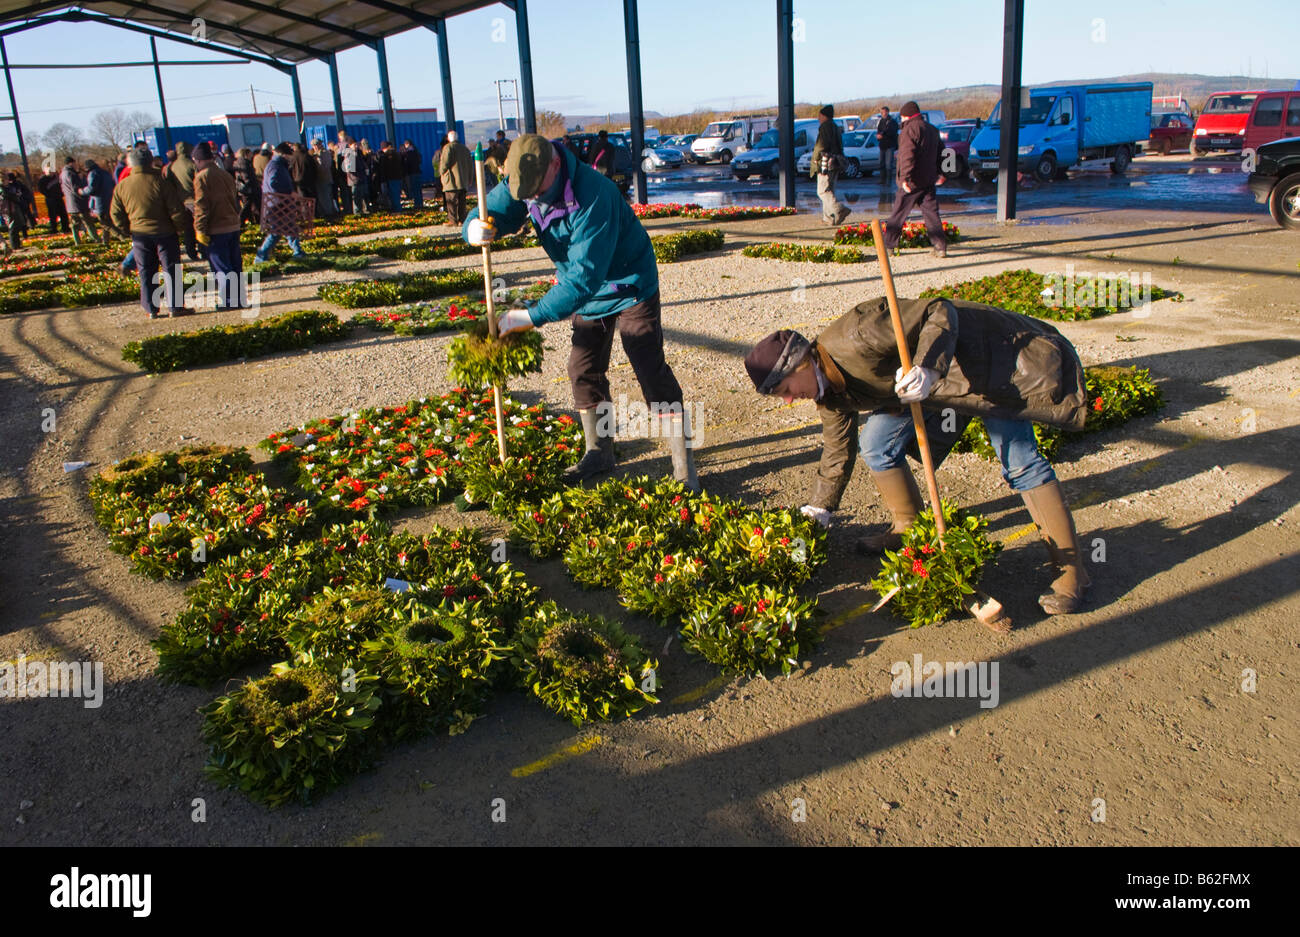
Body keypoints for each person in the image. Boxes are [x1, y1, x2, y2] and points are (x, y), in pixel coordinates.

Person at [743, 294, 1093, 616]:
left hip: (994, 361)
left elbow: (940, 311)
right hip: (938, 390)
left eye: (785, 390)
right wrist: (821, 506)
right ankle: (910, 530)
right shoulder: (827, 391)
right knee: (877, 444)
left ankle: (1070, 571)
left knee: (1020, 462)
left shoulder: (858, 335)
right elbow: (837, 448)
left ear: (802, 364)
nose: (788, 401)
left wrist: (927, 367)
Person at [463, 133, 699, 491]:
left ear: (556, 164)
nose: (533, 199)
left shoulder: (594, 195)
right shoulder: (526, 181)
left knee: (649, 369)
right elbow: (492, 209)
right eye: (525, 193)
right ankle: (599, 451)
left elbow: (582, 280)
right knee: (582, 368)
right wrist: (474, 228)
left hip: (629, 285)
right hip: (589, 293)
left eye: (538, 191)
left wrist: (527, 317)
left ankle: (684, 468)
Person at [109, 147, 189, 319]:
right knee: (170, 269)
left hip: (139, 234)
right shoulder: (161, 182)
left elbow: (115, 214)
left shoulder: (122, 185)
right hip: (165, 233)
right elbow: (176, 209)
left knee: (145, 270)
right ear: (150, 162)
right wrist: (178, 227)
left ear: (130, 164)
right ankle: (175, 307)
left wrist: (126, 229)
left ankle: (151, 309)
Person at [883, 101, 948, 258]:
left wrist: (904, 178)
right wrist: (944, 173)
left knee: (898, 213)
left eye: (902, 117)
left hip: (912, 182)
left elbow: (907, 155)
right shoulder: (932, 129)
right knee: (932, 214)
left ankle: (889, 246)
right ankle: (940, 247)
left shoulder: (909, 130)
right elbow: (945, 152)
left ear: (906, 116)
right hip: (929, 180)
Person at [191, 141, 246, 310]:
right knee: (235, 265)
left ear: (198, 160)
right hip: (232, 224)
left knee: (221, 267)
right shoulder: (225, 174)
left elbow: (201, 206)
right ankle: (240, 298)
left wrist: (199, 229)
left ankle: (229, 301)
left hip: (216, 228)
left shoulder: (202, 178)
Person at [254, 142, 307, 262]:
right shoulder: (275, 166)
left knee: (290, 227)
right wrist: (289, 192)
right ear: (284, 155)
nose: (291, 158)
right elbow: (274, 183)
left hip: (280, 203)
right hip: (277, 205)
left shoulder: (277, 165)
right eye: (289, 155)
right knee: (276, 232)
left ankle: (297, 251)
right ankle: (260, 257)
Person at [811, 104, 850, 226]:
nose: (818, 118)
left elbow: (820, 145)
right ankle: (828, 218)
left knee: (822, 191)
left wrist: (815, 159)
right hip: (835, 161)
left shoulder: (825, 127)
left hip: (825, 162)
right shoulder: (835, 127)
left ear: (824, 116)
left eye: (819, 115)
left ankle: (839, 209)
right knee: (830, 190)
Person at [161, 140, 199, 259]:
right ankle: (203, 249)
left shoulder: (171, 166)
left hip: (180, 202)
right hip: (194, 200)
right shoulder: (192, 164)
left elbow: (168, 184)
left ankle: (190, 251)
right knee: (199, 226)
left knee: (188, 229)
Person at [60, 157, 101, 245]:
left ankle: (77, 241)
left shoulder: (62, 174)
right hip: (78, 202)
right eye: (75, 163)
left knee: (75, 224)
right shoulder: (71, 174)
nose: (76, 165)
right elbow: (75, 188)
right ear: (71, 163)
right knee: (88, 222)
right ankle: (96, 239)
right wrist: (82, 184)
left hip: (70, 203)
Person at [79, 158, 119, 244]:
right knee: (107, 222)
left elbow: (91, 189)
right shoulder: (105, 172)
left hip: (99, 202)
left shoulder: (93, 174)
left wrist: (82, 191)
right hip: (109, 200)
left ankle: (122, 236)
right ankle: (106, 242)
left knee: (105, 224)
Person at [438, 130, 472, 224]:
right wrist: (470, 178)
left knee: (451, 201)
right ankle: (462, 219)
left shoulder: (448, 148)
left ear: (449, 139)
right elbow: (470, 165)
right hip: (463, 180)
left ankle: (453, 221)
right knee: (462, 202)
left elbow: (445, 163)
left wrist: (441, 173)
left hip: (451, 180)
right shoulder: (465, 149)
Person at [1, 172, 32, 251]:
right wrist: (16, 196)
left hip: (12, 208)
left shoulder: (7, 188)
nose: (8, 181)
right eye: (7, 179)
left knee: (17, 226)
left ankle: (17, 244)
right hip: (8, 209)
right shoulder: (2, 189)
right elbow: (10, 196)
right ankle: (14, 245)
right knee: (12, 227)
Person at [36, 168, 71, 235]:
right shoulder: (42, 180)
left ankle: (65, 227)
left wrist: (61, 194)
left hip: (59, 198)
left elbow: (62, 186)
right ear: (45, 172)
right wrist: (49, 195)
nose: (51, 173)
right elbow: (41, 189)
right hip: (50, 199)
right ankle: (54, 229)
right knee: (52, 215)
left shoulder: (57, 178)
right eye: (49, 171)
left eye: (52, 171)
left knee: (63, 214)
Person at [232, 146, 259, 226]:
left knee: (250, 206)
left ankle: (252, 222)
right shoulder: (244, 162)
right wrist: (250, 182)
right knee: (247, 207)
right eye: (250, 153)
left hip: (244, 189)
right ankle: (240, 222)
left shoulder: (239, 162)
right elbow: (246, 176)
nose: (251, 155)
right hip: (248, 189)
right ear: (246, 154)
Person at [875, 106, 899, 187]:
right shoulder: (881, 121)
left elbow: (892, 132)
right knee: (881, 163)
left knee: (888, 164)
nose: (882, 114)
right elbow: (879, 130)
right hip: (882, 145)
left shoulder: (892, 122)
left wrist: (883, 135)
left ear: (887, 112)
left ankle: (888, 181)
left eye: (884, 112)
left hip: (889, 145)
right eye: (881, 112)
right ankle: (882, 179)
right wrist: (878, 136)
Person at [377, 140, 403, 211]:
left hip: (391, 178)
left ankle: (396, 209)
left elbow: (383, 169)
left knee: (394, 195)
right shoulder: (396, 154)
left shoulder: (386, 156)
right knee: (396, 194)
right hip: (397, 177)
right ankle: (397, 208)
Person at [400, 139, 424, 210]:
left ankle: (417, 204)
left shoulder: (407, 154)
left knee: (414, 189)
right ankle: (420, 203)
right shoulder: (416, 152)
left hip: (412, 173)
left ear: (407, 145)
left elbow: (407, 164)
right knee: (418, 189)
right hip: (418, 172)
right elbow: (419, 161)